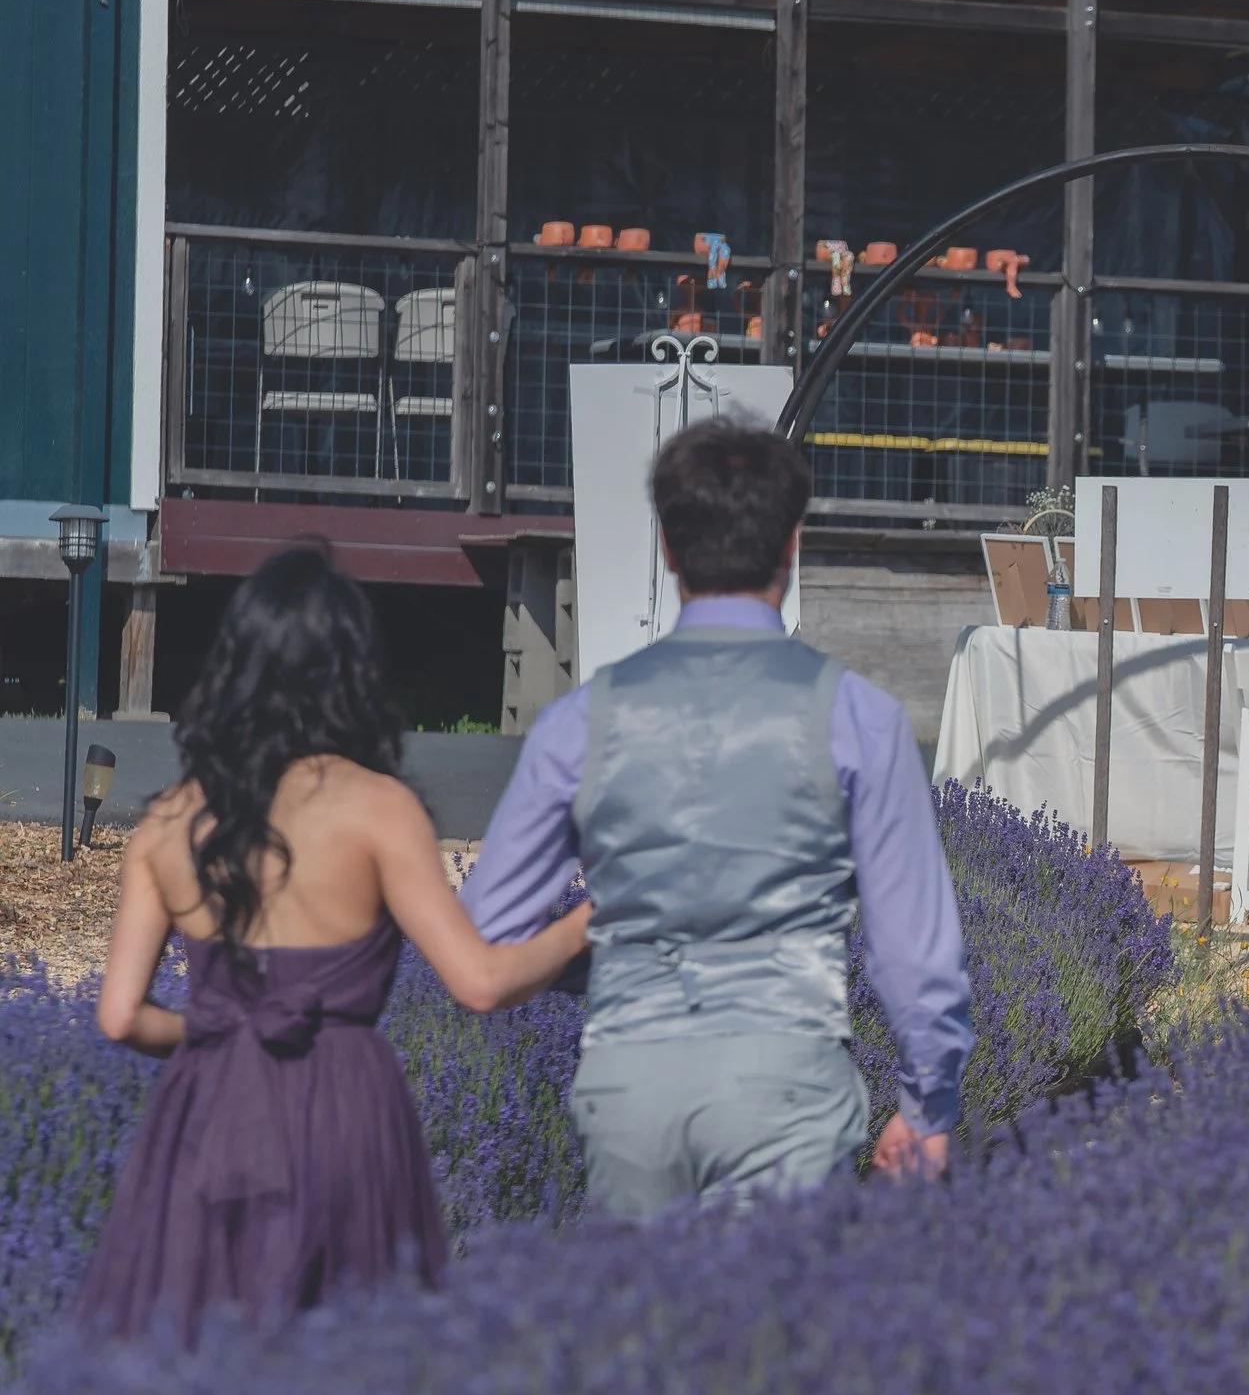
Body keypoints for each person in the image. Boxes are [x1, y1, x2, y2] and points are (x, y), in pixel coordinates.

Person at [79, 545, 591, 1346]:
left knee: (200, 1353)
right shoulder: (380, 810)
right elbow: (481, 982)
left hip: (210, 1105)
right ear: (351, 670)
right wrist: (581, 923)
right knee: (346, 1359)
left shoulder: (167, 822)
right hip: (343, 1101)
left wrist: (220, 1028)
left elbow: (118, 1017)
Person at [461, 420, 970, 1217]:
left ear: (666, 547)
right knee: (773, 1333)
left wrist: (604, 935)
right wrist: (926, 1107)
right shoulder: (859, 718)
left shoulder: (581, 721)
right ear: (793, 542)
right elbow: (917, 955)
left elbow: (484, 933)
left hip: (631, 1079)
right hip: (788, 1077)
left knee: (651, 1331)